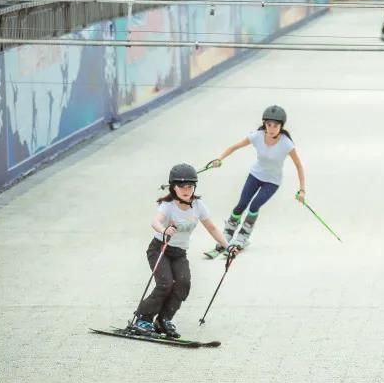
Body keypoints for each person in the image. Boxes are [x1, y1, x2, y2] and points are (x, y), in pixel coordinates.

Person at [129, 164, 234, 338]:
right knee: (165, 283)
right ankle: (143, 319)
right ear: (173, 187)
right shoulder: (167, 205)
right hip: (160, 249)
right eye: (182, 186)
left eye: (190, 186)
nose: (186, 190)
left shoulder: (198, 205)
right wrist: (163, 230)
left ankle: (163, 319)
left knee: (183, 284)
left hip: (179, 253)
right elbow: (155, 221)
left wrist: (227, 246)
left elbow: (212, 228)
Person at [208, 105, 306, 255]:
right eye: (269, 125)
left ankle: (242, 237)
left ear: (281, 126)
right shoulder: (257, 136)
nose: (272, 128)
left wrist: (302, 190)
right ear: (264, 124)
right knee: (241, 205)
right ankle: (227, 233)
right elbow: (234, 147)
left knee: (254, 206)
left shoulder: (287, 143)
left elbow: (299, 166)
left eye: (276, 125)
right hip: (255, 175)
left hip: (272, 182)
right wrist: (219, 159)